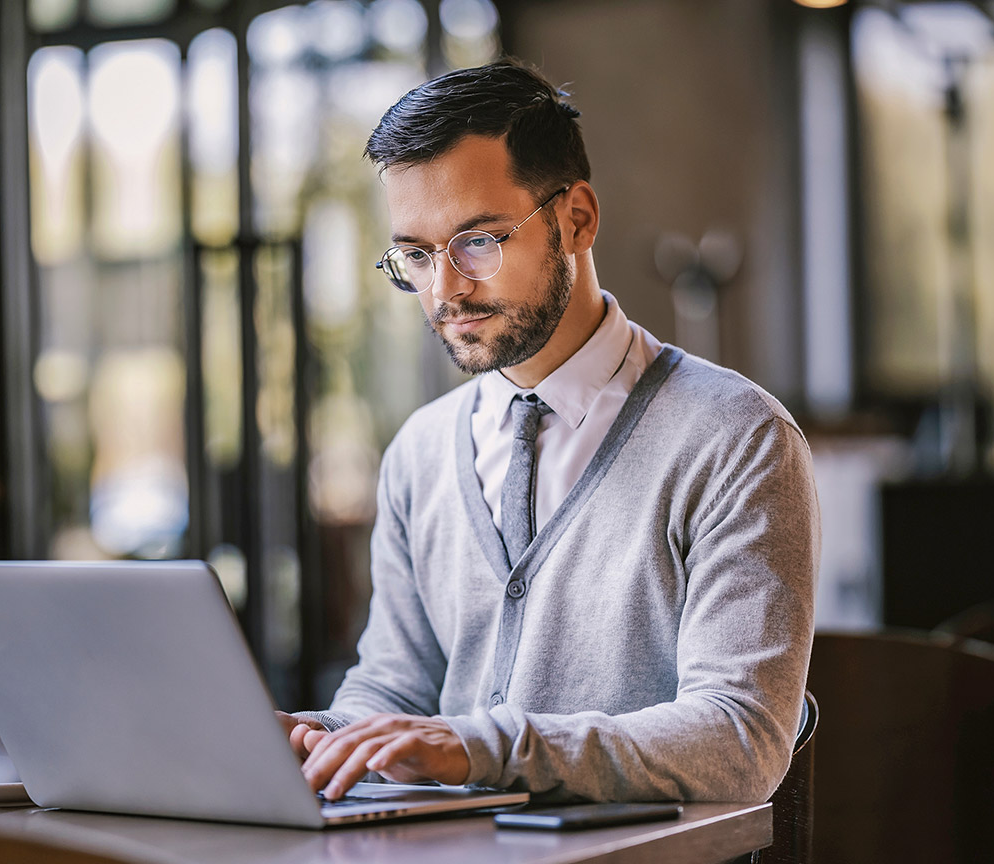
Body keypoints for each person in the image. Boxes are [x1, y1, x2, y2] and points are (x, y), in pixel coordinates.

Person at [279, 59, 819, 804]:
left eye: (478, 241)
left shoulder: (735, 438)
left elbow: (740, 740)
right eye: (416, 254)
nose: (445, 290)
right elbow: (396, 686)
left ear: (577, 219)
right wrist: (316, 739)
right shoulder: (419, 453)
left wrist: (481, 746)